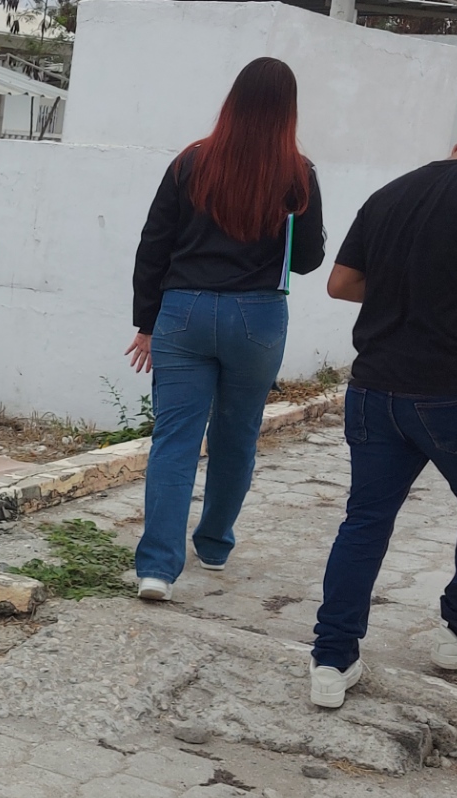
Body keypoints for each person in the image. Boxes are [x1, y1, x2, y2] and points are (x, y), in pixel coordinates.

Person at [307, 95, 457, 709]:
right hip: (451, 392)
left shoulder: (393, 191)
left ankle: (331, 661)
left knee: (366, 518)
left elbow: (341, 283)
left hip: (372, 388)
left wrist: (411, 291)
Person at [127, 57, 325, 602]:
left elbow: (153, 245)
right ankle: (213, 545)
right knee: (237, 435)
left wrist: (146, 323)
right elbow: (308, 259)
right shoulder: (298, 174)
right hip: (257, 316)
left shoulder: (190, 162)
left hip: (183, 313)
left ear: (232, 100)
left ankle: (156, 569)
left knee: (175, 439)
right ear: (288, 110)